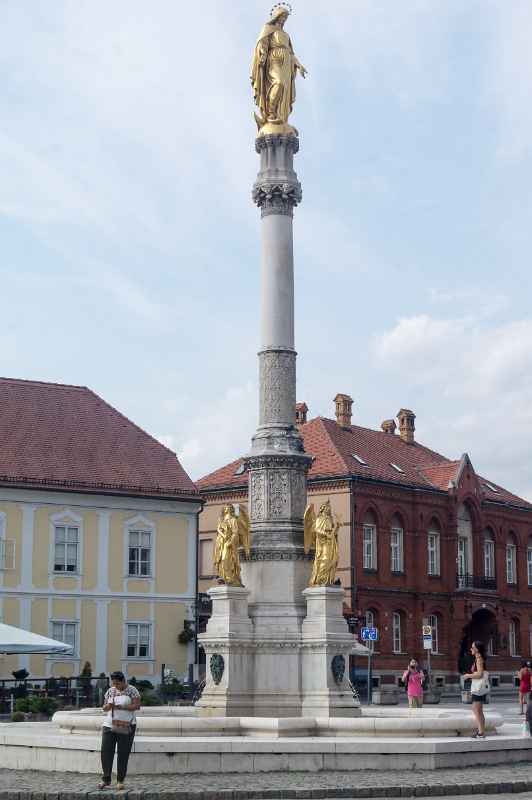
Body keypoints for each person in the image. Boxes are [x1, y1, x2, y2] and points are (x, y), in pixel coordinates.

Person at [99, 671, 140, 791]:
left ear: (123, 681)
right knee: (106, 751)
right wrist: (108, 706)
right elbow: (104, 707)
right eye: (113, 683)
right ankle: (106, 779)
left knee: (123, 752)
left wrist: (123, 707)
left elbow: (137, 706)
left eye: (117, 683)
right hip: (109, 724)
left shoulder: (132, 690)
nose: (115, 686)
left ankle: (120, 780)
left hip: (127, 724)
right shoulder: (111, 691)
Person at [464, 641, 489, 738]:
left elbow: (480, 674)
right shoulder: (477, 659)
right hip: (478, 687)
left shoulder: (479, 659)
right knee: (478, 709)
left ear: (477, 649)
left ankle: (481, 732)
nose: (471, 649)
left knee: (477, 709)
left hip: (478, 688)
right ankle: (481, 731)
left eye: (472, 647)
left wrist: (468, 675)